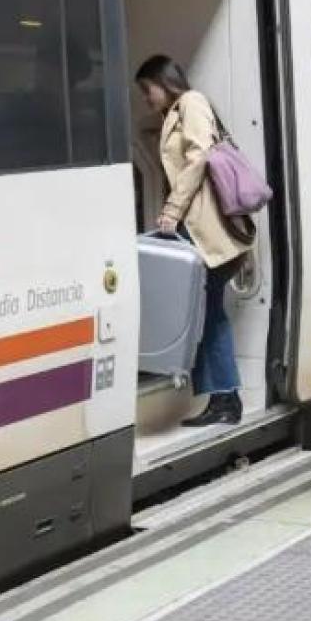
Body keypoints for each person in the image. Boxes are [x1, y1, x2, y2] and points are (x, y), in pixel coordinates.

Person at [136, 56, 254, 427]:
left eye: (147, 89)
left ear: (162, 81)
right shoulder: (176, 111)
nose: (146, 98)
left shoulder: (192, 103)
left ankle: (225, 399)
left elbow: (200, 156)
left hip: (207, 229)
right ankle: (223, 397)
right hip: (196, 226)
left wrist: (172, 209)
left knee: (209, 313)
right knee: (206, 312)